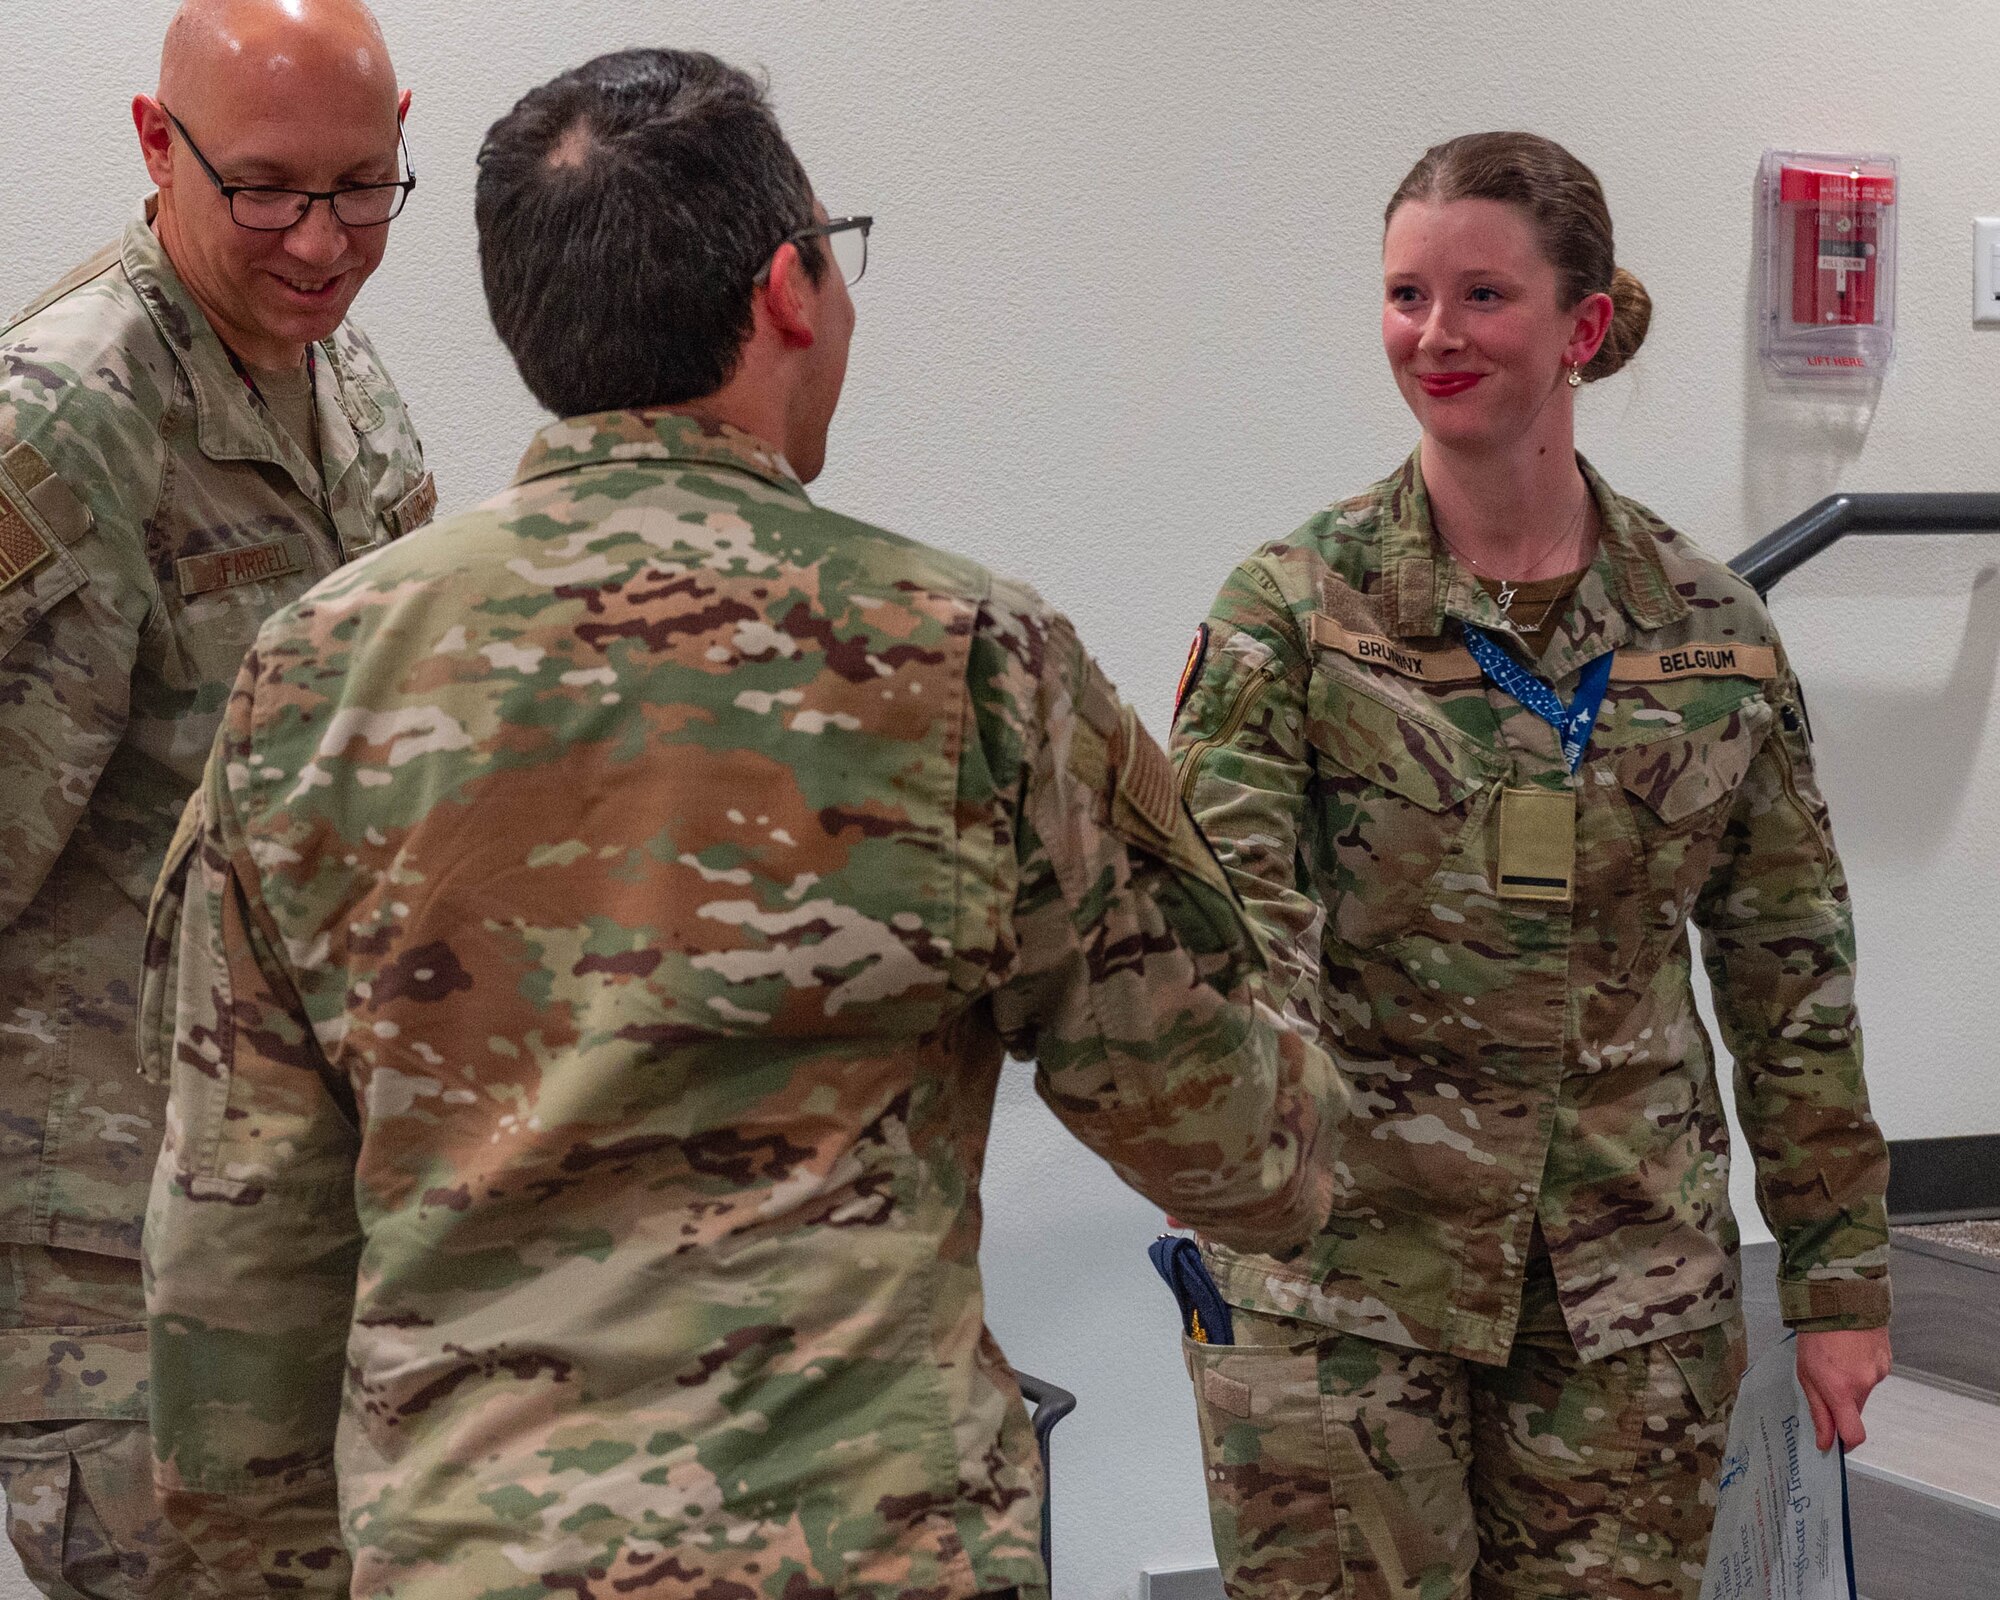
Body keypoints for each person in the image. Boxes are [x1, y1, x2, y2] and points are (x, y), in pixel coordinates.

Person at [138, 47, 1342, 1600]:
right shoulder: (967, 657)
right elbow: (1244, 1151)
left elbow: (233, 1250)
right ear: (790, 289)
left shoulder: (311, 676)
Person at [1170, 131, 1892, 1600]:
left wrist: (1837, 1272)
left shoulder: (1713, 626)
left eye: (1482, 296)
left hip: (1632, 1300)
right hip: (1347, 1291)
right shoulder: (1293, 617)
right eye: (1405, 296)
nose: (1435, 336)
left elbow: (1789, 967)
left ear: (1583, 327)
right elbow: (1231, 940)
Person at [0, 0, 427, 1592]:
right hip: (119, 1258)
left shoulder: (338, 377)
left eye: (362, 187)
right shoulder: (65, 427)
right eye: (264, 189)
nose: (320, 240)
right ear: (153, 141)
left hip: (307, 1213)